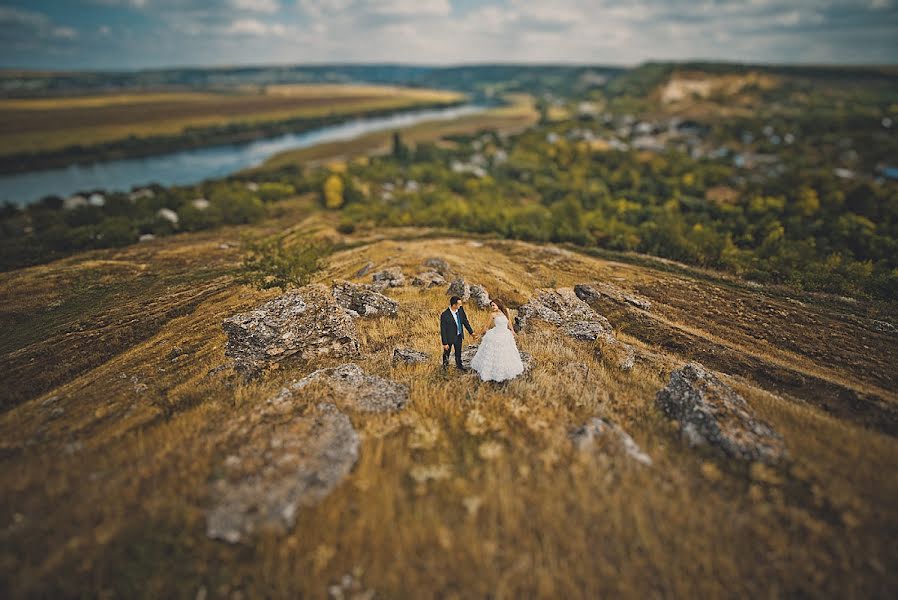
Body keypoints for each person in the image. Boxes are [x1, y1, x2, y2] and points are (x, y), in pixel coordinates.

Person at [470, 299, 524, 382]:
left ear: (498, 304)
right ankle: (492, 372)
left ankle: (506, 369)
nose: (492, 307)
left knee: (507, 352)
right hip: (496, 334)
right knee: (494, 353)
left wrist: (512, 331)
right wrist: (480, 334)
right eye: (491, 306)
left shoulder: (506, 311)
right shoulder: (492, 314)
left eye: (493, 305)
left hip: (505, 334)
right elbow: (486, 327)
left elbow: (509, 321)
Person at [440, 295, 475, 371]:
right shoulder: (445, 315)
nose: (461, 305)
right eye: (459, 304)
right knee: (446, 354)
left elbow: (465, 322)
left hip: (459, 336)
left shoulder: (460, 310)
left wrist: (471, 332)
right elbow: (443, 329)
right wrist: (444, 343)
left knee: (458, 353)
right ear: (454, 305)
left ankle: (459, 367)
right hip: (449, 337)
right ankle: (445, 368)